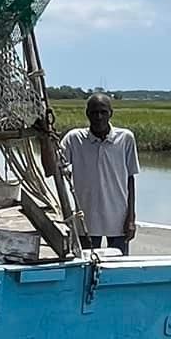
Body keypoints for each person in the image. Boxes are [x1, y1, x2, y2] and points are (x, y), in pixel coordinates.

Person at [59, 92, 139, 253]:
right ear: (87, 114)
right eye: (94, 113)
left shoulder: (125, 139)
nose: (99, 117)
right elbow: (53, 168)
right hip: (86, 219)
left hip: (118, 218)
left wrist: (131, 218)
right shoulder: (74, 139)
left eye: (103, 112)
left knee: (117, 269)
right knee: (86, 267)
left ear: (111, 113)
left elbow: (130, 179)